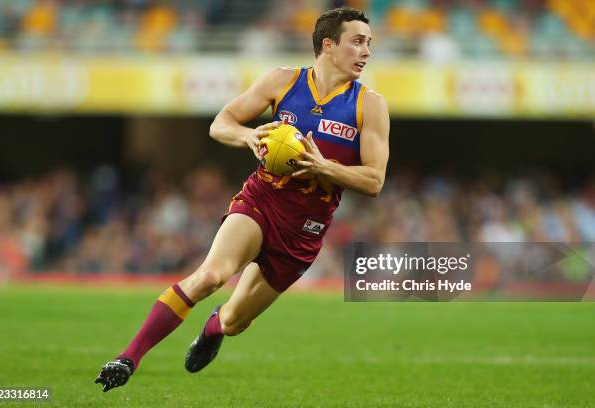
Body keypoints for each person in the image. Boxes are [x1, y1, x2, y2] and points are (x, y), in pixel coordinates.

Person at [95, 6, 389, 392]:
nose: (366, 51)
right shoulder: (283, 82)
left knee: (236, 320)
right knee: (210, 276)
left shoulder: (370, 104)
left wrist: (324, 167)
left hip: (304, 231)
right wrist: (249, 137)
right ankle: (127, 358)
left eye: (369, 43)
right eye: (357, 41)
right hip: (261, 201)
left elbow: (374, 180)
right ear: (329, 46)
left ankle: (214, 328)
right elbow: (222, 123)